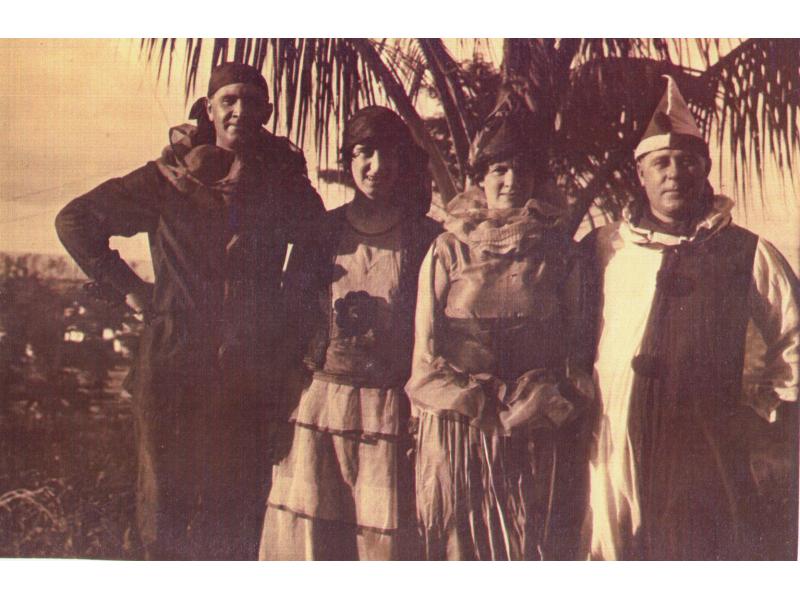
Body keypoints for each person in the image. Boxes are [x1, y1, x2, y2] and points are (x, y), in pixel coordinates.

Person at [55, 62, 324, 560]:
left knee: (237, 516)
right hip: (173, 367)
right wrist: (131, 290)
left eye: (251, 102)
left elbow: (313, 260)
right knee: (164, 514)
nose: (239, 110)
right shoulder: (168, 179)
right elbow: (74, 221)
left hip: (249, 375)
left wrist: (285, 342)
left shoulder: (284, 184)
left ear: (266, 112)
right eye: (229, 101)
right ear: (210, 109)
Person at [581, 75, 799, 560]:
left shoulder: (746, 251)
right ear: (640, 174)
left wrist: (765, 413)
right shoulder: (606, 247)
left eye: (686, 161)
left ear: (704, 170)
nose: (673, 173)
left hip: (704, 443)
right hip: (614, 437)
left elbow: (792, 333)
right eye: (660, 162)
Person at [405, 91, 594, 561]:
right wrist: (463, 402)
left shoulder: (559, 251)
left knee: (529, 541)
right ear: (480, 178)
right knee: (459, 538)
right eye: (498, 171)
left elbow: (578, 342)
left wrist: (550, 401)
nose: (511, 181)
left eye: (521, 170)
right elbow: (426, 347)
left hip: (534, 418)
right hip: (461, 417)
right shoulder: (449, 248)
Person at [259, 106, 441, 560]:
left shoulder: (428, 239)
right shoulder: (321, 232)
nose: (375, 167)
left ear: (403, 163)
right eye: (363, 153)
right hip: (319, 405)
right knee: (311, 543)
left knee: (381, 545)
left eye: (387, 155)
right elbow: (290, 316)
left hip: (391, 413)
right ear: (347, 159)